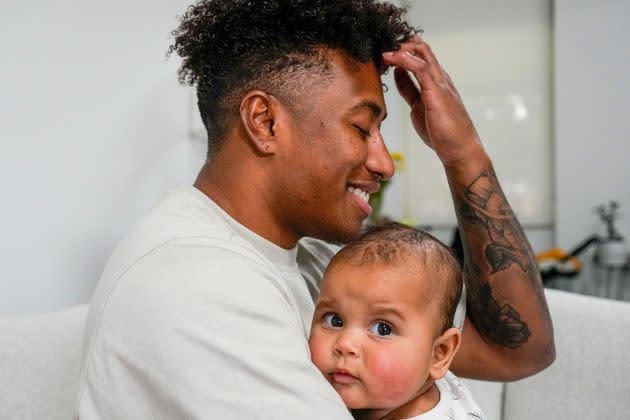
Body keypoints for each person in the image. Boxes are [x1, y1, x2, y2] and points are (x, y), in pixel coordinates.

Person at [75, 1, 554, 418]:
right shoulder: (199, 282)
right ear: (265, 122)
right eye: (362, 128)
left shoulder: (310, 258)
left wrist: (463, 153)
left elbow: (516, 353)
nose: (385, 163)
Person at [309, 222, 485, 419]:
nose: (345, 344)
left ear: (438, 354)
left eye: (383, 329)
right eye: (334, 320)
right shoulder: (415, 385)